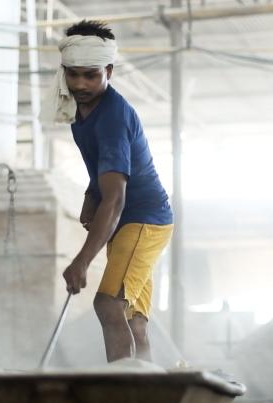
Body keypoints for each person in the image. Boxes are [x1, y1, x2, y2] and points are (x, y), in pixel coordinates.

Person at [47, 20, 173, 362]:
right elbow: (103, 168)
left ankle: (122, 397)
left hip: (143, 219)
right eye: (73, 74)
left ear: (109, 71)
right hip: (129, 221)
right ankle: (148, 396)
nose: (80, 84)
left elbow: (116, 198)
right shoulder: (80, 112)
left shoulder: (113, 116)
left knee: (107, 303)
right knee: (134, 322)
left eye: (91, 75)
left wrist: (81, 261)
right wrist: (91, 195)